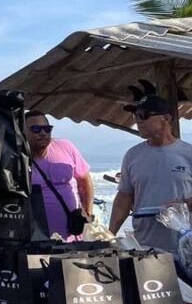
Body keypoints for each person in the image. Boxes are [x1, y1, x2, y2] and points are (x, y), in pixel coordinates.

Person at [109, 94, 192, 284]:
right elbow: (124, 197)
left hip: (186, 249)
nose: (138, 121)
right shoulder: (132, 156)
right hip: (145, 247)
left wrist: (184, 204)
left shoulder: (188, 153)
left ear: (166, 118)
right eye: (135, 116)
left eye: (144, 115)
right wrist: (109, 234)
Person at [25, 111, 93, 239]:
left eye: (47, 128)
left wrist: (87, 214)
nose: (42, 133)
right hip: (38, 238)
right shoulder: (17, 159)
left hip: (72, 235)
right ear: (22, 132)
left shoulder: (66, 147)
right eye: (36, 129)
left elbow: (84, 180)